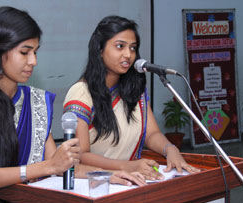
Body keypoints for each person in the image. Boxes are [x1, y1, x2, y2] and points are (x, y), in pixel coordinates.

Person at [0, 8, 145, 203]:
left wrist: (109, 175)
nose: (33, 61)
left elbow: (62, 166)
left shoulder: (35, 100)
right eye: (24, 52)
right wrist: (48, 167)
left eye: (35, 52)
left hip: (24, 198)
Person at [63, 15, 200, 181]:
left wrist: (170, 149)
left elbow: (152, 134)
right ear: (100, 50)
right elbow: (81, 155)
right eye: (120, 46)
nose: (128, 54)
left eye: (133, 48)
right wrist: (128, 166)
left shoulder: (134, 89)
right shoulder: (81, 92)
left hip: (133, 178)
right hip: (98, 182)